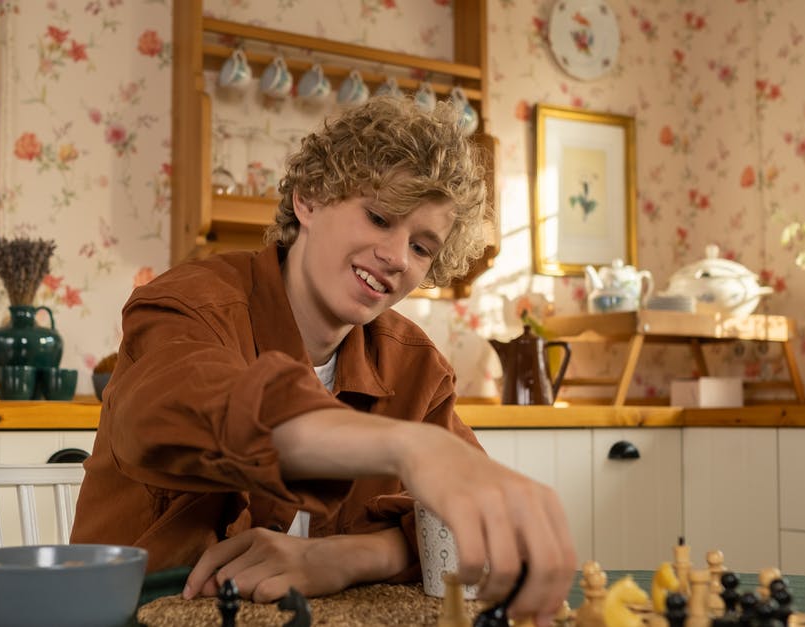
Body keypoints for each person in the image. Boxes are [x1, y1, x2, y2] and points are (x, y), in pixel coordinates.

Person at [71, 96, 576, 626]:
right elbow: (170, 410)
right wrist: (407, 446)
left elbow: (464, 532)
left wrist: (345, 557)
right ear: (309, 199)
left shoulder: (417, 367)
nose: (398, 258)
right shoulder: (191, 303)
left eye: (423, 247)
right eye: (379, 217)